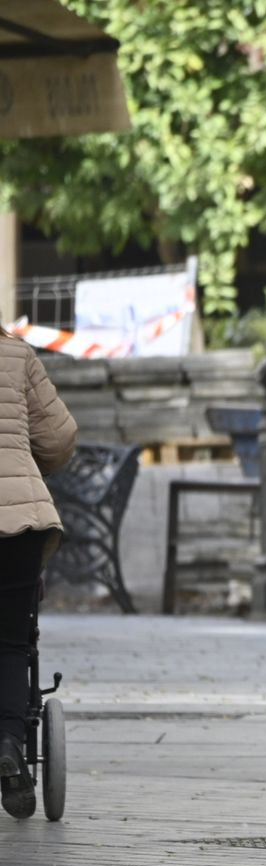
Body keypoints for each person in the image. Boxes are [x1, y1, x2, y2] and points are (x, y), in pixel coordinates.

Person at [0, 323, 76, 819]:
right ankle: (8, 740)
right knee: (10, 642)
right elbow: (59, 438)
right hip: (19, 520)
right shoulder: (16, 354)